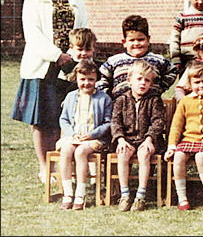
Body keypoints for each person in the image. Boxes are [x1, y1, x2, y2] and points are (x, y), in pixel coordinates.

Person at [11, 0, 89, 183]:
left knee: (61, 118)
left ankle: (61, 166)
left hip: (71, 67)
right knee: (40, 119)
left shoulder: (75, 0)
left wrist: (77, 58)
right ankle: (44, 167)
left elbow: (83, 29)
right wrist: (57, 55)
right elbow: (32, 34)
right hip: (42, 65)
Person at [164, 61, 203, 212]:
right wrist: (172, 146)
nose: (201, 86)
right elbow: (176, 126)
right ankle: (182, 197)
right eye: (197, 82)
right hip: (188, 140)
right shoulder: (185, 102)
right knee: (178, 157)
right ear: (189, 84)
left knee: (200, 157)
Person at [55, 60, 112, 210]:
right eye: (82, 79)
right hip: (73, 137)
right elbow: (64, 119)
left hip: (94, 139)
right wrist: (72, 134)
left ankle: (80, 194)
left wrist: (92, 134)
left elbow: (108, 123)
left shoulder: (103, 98)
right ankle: (68, 194)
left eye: (91, 79)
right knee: (67, 150)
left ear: (96, 79)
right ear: (76, 79)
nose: (86, 83)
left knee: (80, 152)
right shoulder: (70, 97)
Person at [110, 61, 166, 212]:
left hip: (146, 139)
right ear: (129, 80)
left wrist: (150, 138)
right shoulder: (121, 100)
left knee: (144, 154)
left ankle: (141, 195)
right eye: (139, 79)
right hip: (127, 139)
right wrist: (120, 139)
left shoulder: (154, 100)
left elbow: (158, 121)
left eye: (147, 80)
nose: (143, 83)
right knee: (122, 154)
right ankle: (125, 194)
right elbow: (115, 121)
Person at [97, 15, 178, 100]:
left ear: (148, 40)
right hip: (122, 105)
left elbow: (173, 71)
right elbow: (100, 76)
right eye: (132, 40)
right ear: (124, 42)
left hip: (150, 104)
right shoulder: (115, 61)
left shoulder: (156, 60)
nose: (136, 43)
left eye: (140, 39)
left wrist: (160, 87)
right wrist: (107, 93)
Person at [55, 27, 99, 100]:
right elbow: (60, 90)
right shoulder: (66, 67)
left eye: (88, 50)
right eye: (80, 49)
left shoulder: (97, 67)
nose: (84, 53)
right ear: (71, 48)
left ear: (94, 48)